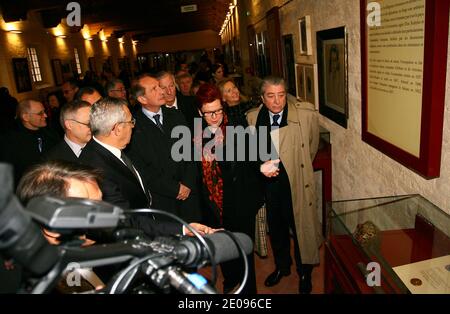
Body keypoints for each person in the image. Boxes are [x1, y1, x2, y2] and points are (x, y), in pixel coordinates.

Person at [79, 97, 210, 239]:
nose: (133, 126)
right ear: (117, 129)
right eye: (130, 122)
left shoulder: (110, 151)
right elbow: (126, 220)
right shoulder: (96, 168)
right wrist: (182, 229)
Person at [246, 76, 320, 294]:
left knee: (301, 230)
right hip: (268, 186)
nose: (277, 101)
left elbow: (312, 147)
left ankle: (304, 271)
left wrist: (299, 169)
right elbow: (250, 154)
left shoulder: (305, 115)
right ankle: (282, 267)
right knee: (276, 229)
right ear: (262, 98)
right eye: (271, 96)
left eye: (281, 95)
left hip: (295, 183)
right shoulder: (252, 118)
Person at [194, 84, 263, 294]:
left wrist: (263, 165)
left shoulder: (238, 126)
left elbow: (255, 159)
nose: (214, 116)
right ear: (199, 112)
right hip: (215, 209)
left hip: (240, 205)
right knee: (224, 253)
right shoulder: (195, 135)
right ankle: (231, 286)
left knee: (244, 255)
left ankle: (248, 294)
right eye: (208, 113)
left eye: (218, 110)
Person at [128, 74, 201, 223]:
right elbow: (142, 169)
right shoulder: (133, 127)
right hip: (162, 201)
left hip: (189, 195)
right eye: (154, 89)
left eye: (159, 87)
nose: (162, 92)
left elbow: (191, 152)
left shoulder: (176, 115)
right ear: (142, 99)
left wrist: (187, 183)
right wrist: (175, 188)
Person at [0, 99, 59, 187]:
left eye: (44, 111)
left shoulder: (51, 133)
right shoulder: (9, 141)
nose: (45, 115)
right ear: (26, 117)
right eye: (40, 113)